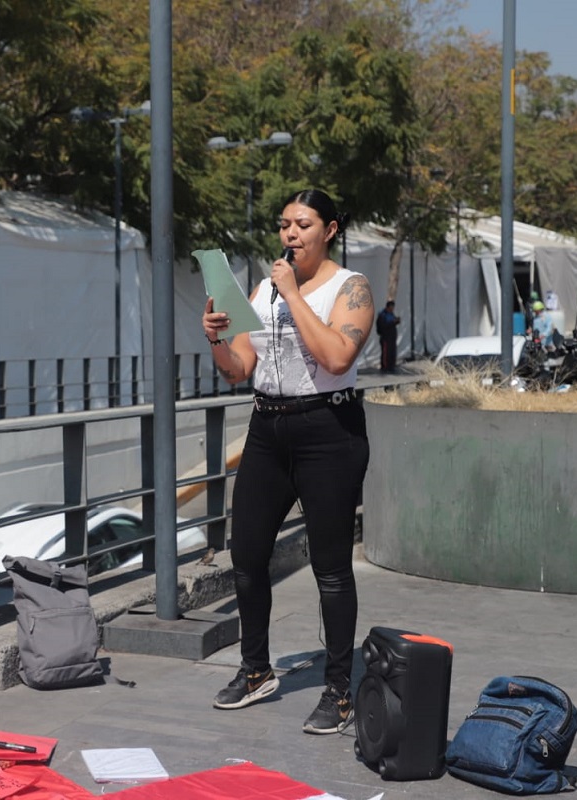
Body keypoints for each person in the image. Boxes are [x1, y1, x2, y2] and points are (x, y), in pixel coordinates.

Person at [202, 189, 372, 735]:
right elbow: (238, 370)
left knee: (330, 567)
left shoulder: (352, 289)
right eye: (284, 225)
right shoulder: (266, 289)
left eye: (302, 224)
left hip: (329, 430)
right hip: (268, 427)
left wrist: (293, 294)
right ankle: (256, 670)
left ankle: (340, 690)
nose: (290, 234)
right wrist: (217, 341)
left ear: (330, 229)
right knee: (246, 553)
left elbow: (337, 356)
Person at [375, 300, 400, 372]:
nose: (392, 309)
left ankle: (391, 366)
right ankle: (385, 367)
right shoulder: (382, 315)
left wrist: (397, 321)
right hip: (386, 337)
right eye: (391, 307)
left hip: (392, 337)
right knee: (386, 352)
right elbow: (383, 326)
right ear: (388, 307)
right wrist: (392, 322)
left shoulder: (391, 314)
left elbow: (393, 322)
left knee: (392, 351)